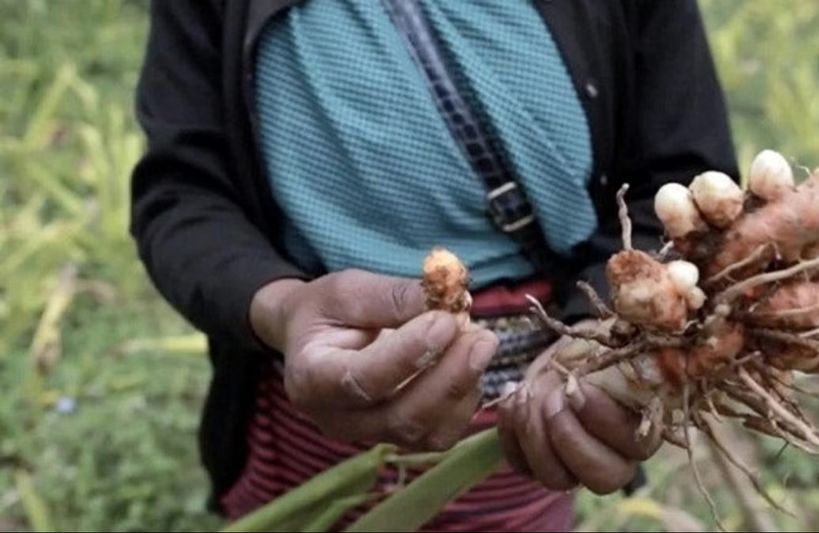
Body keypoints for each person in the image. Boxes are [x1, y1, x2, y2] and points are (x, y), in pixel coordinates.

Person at [131, 0, 738, 530]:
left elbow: (679, 181)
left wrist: (601, 336)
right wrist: (281, 307)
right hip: (314, 409)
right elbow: (183, 193)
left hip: (533, 426)